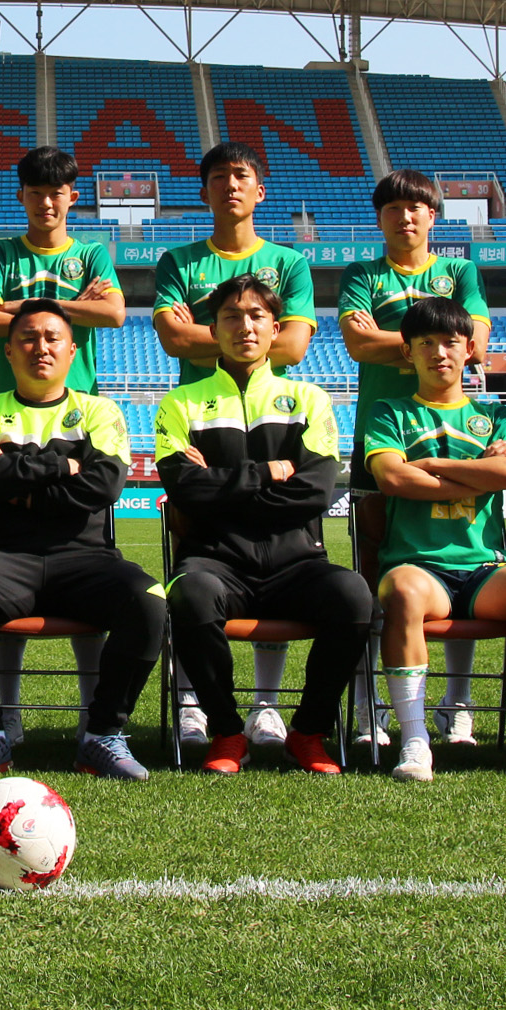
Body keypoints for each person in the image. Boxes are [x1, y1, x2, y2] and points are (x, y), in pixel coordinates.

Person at [0, 299, 166, 783]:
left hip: (85, 558)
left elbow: (105, 486)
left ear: (72, 350)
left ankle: (102, 733)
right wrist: (65, 466)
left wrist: (15, 486)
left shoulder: (99, 410)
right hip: (3, 558)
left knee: (148, 601)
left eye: (52, 338)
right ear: (9, 350)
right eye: (28, 338)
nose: (40, 347)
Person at [155, 276, 369, 774]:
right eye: (231, 315)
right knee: (190, 595)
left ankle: (308, 731)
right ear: (213, 328)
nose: (244, 326)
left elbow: (315, 491)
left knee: (354, 597)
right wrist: (265, 475)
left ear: (276, 329)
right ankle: (228, 733)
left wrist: (219, 482)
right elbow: (184, 490)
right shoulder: (180, 403)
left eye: (256, 316)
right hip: (214, 561)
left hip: (296, 561)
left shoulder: (309, 400)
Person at [365, 297, 506, 783]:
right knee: (399, 593)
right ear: (408, 353)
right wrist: (478, 473)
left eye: (450, 343)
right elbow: (393, 481)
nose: (439, 353)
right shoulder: (389, 412)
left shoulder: (495, 415)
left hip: (485, 568)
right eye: (425, 343)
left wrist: (433, 465)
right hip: (418, 566)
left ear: (469, 351)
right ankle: (416, 740)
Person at [152, 142, 316, 747]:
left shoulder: (289, 264)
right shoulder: (180, 260)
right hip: (202, 423)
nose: (230, 185)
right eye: (218, 177)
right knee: (199, 559)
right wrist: (243, 341)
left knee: (277, 554)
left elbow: (295, 349)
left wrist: (209, 334)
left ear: (260, 190)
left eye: (241, 175)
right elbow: (169, 338)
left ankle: (268, 705)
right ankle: (194, 698)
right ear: (204, 192)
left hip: (273, 417)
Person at [0, 145, 126, 743]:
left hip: (75, 415)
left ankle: (92, 710)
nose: (47, 201)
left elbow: (112, 313)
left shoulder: (90, 252)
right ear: (23, 198)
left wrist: (25, 308)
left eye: (57, 192)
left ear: (72, 196)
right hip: (13, 415)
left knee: (87, 558)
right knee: (5, 554)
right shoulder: (2, 253)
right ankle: (5, 712)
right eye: (36, 192)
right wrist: (67, 306)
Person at [339, 168, 493, 746]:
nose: (406, 217)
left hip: (456, 437)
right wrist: (436, 343)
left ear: (435, 215)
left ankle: (456, 705)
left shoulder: (460, 271)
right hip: (382, 435)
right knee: (374, 574)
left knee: (467, 564)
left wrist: (400, 344)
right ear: (380, 218)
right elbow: (357, 343)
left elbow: (475, 344)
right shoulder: (362, 274)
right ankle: (371, 707)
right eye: (394, 209)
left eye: (417, 208)